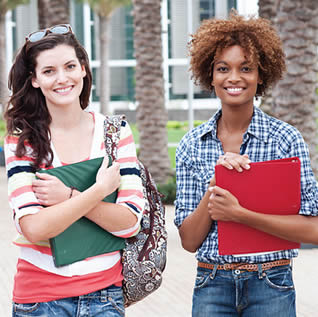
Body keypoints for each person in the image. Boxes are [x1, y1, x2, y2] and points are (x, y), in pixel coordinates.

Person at [174, 11, 318, 317]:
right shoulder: (191, 144)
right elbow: (188, 240)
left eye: (246, 68)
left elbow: (314, 229)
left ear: (261, 75)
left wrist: (240, 214)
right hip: (212, 282)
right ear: (210, 76)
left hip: (271, 282)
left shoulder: (285, 140)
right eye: (223, 68)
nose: (234, 78)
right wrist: (215, 188)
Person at [4, 24, 145, 316]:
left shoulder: (114, 132)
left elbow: (130, 222)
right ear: (34, 80)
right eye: (49, 71)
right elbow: (34, 228)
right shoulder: (22, 141)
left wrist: (67, 197)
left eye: (70, 66)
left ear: (83, 68)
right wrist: (99, 191)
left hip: (105, 298)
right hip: (41, 301)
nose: (62, 78)